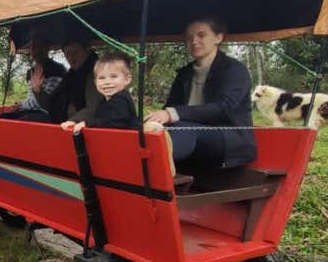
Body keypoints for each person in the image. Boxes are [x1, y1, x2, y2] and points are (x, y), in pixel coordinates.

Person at [144, 17, 256, 169]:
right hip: (188, 136)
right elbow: (171, 106)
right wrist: (156, 119)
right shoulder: (184, 74)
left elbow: (223, 108)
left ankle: (158, 167)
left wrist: (171, 114)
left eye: (201, 35)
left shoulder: (235, 70)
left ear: (218, 37)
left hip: (228, 140)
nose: (194, 41)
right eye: (189, 37)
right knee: (149, 126)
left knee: (182, 129)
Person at [61, 52, 137, 133]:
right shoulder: (105, 101)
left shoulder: (120, 99)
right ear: (95, 82)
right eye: (102, 78)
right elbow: (100, 119)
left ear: (127, 79)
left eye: (114, 76)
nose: (107, 82)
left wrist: (87, 123)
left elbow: (116, 123)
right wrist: (76, 122)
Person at [10, 36, 67, 122]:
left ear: (47, 48)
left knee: (18, 122)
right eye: (33, 47)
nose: (37, 51)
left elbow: (46, 106)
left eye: (41, 47)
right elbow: (32, 100)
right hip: (31, 113)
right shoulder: (31, 72)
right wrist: (21, 104)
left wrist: (23, 104)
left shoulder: (57, 70)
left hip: (50, 116)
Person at [43, 38, 99, 123]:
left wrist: (71, 122)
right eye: (67, 54)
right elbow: (51, 103)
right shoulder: (70, 76)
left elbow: (94, 108)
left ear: (87, 51)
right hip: (66, 122)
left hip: (82, 125)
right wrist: (37, 90)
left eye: (75, 53)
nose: (71, 57)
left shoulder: (97, 73)